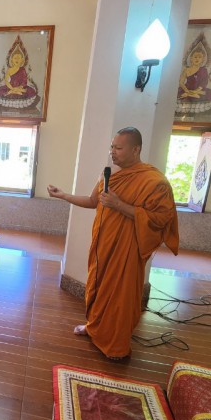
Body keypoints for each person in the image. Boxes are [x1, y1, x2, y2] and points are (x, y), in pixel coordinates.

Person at [47, 127, 179, 360]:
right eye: (112, 147)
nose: (112, 152)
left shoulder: (154, 181)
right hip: (103, 245)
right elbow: (92, 201)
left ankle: (116, 346)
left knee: (120, 296)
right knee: (98, 287)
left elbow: (161, 219)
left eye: (118, 148)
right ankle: (94, 327)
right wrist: (63, 195)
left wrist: (119, 205)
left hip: (127, 250)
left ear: (136, 149)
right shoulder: (108, 174)